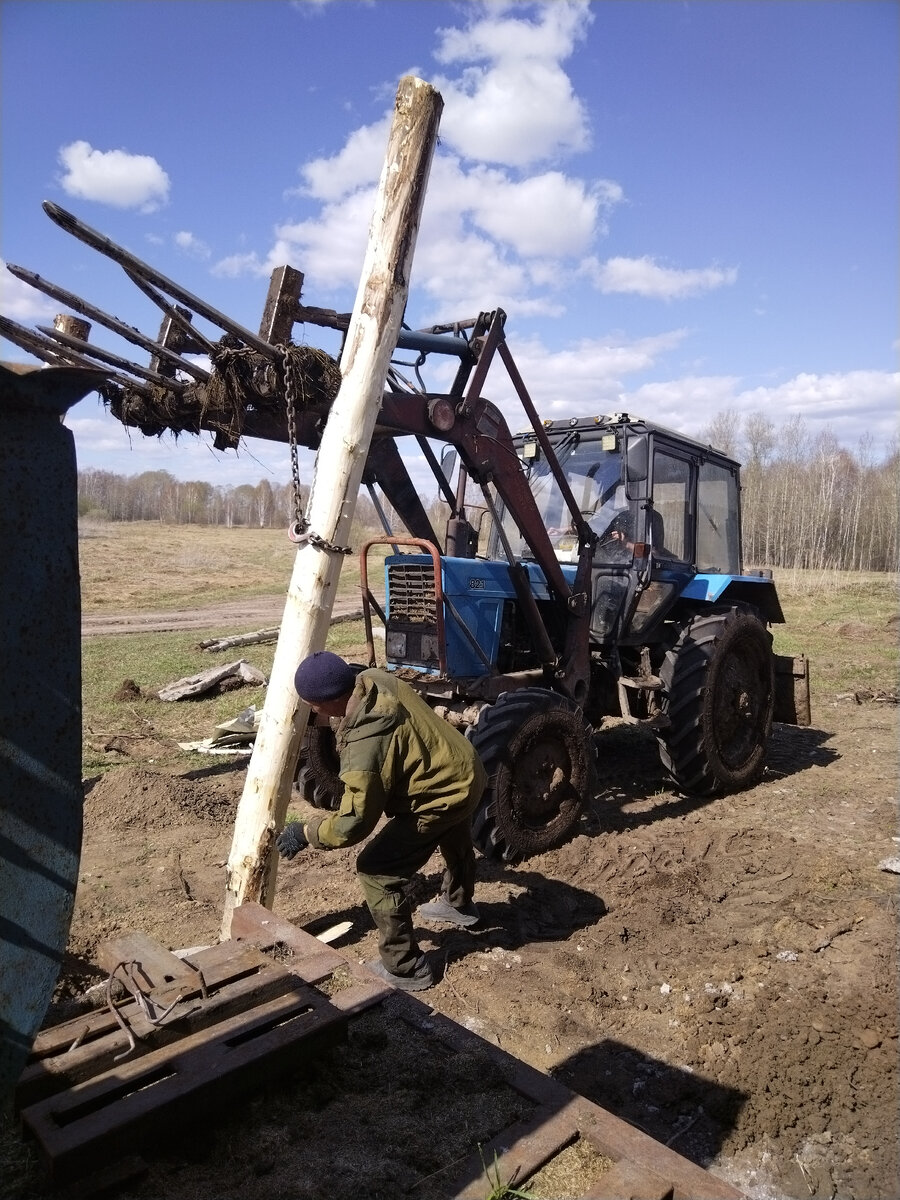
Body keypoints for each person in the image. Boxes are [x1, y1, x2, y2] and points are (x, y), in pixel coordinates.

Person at [276, 651, 486, 992]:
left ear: (327, 702)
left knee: (375, 869)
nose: (312, 712)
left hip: (442, 793)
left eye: (312, 706)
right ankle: (459, 904)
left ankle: (405, 966)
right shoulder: (376, 679)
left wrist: (306, 832)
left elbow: (354, 822)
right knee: (454, 834)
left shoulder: (364, 748)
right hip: (465, 769)